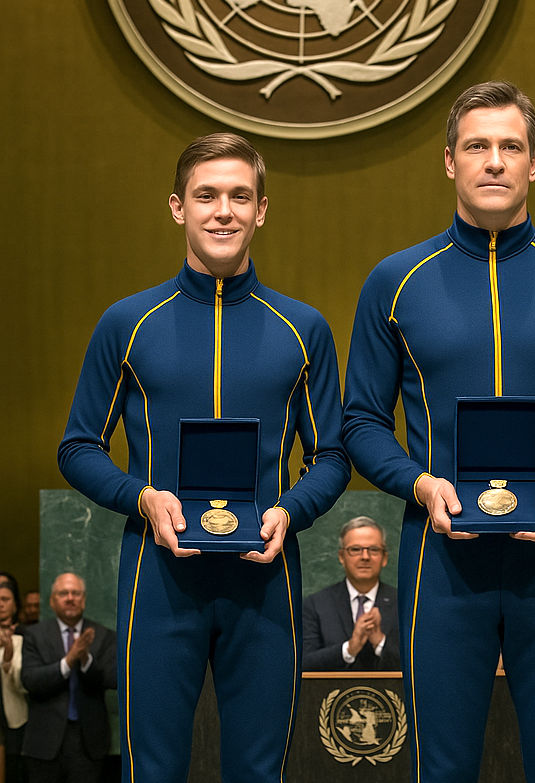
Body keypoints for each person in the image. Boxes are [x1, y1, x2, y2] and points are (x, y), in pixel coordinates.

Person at [342, 81, 535, 782]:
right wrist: (419, 483)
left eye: (510, 146)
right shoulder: (394, 282)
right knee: (440, 767)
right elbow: (360, 421)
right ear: (448, 161)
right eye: (477, 146)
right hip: (440, 556)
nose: (494, 161)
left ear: (534, 163)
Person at [56, 133, 349, 783]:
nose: (223, 210)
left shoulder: (304, 329)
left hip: (265, 578)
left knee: (259, 769)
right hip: (158, 581)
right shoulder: (127, 322)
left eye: (240, 195)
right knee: (151, 769)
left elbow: (331, 455)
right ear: (177, 207)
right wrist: (144, 497)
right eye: (206, 195)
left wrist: (289, 512)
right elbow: (78, 446)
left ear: (262, 209)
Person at [20, 574, 116, 783]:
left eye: (76, 593)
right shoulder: (34, 635)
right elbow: (30, 680)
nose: (70, 598)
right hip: (44, 742)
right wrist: (69, 660)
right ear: (53, 600)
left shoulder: (103, 635)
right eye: (63, 593)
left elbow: (112, 679)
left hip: (88, 743)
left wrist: (85, 659)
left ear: (84, 599)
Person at [302, 516, 400, 671]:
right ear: (342, 556)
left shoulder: (404, 604)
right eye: (355, 549)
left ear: (384, 558)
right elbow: (304, 663)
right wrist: (349, 649)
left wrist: (380, 642)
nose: (365, 557)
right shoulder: (316, 604)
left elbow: (419, 664)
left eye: (373, 550)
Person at [0, 583, 26, 783]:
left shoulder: (26, 637)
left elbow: (25, 683)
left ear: (16, 605)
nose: (0, 604)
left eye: (5, 599)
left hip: (15, 720)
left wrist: (8, 657)